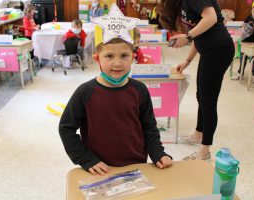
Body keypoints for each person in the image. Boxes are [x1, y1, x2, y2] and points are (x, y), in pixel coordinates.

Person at [59, 5, 172, 175]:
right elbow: (66, 128)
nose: (118, 63)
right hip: (100, 170)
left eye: (124, 56)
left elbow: (149, 127)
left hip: (136, 166)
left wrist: (157, 152)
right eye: (109, 56)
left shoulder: (139, 90)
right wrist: (85, 159)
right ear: (98, 58)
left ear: (133, 57)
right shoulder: (85, 92)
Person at [158, 0, 234, 160]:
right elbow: (198, 32)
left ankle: (204, 151)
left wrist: (187, 37)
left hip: (218, 50)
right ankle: (199, 135)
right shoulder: (184, 2)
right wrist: (187, 61)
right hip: (208, 51)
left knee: (208, 102)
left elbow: (211, 18)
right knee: (202, 96)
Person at [231, 5, 254, 83]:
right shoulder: (248, 18)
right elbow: (243, 27)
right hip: (245, 42)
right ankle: (240, 74)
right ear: (251, 12)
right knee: (243, 59)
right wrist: (238, 35)